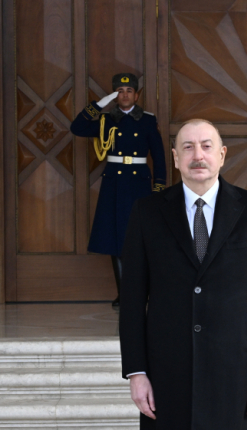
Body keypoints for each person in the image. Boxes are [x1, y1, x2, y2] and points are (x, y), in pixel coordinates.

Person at [119, 119, 247, 430]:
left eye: (207, 146)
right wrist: (136, 372)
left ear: (222, 155)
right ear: (176, 158)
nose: (199, 155)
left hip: (234, 375)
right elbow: (132, 299)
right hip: (167, 376)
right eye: (189, 147)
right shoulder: (147, 212)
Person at [70, 73, 167, 307]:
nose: (125, 95)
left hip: (138, 185)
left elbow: (159, 156)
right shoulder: (106, 120)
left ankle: (141, 292)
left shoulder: (146, 120)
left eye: (129, 91)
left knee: (139, 240)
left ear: (137, 94)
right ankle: (124, 293)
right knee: (116, 240)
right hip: (114, 184)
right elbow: (78, 127)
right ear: (115, 95)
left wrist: (159, 187)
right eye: (120, 91)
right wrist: (100, 104)